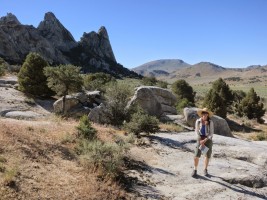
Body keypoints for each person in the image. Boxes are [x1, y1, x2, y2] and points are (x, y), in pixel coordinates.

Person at [191, 108, 214, 177]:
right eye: (203, 113)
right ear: (201, 114)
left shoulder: (210, 122)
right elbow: (196, 131)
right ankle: (195, 170)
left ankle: (205, 169)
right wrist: (200, 139)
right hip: (200, 139)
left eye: (206, 114)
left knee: (207, 155)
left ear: (208, 115)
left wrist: (205, 139)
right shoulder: (198, 121)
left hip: (208, 140)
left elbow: (211, 133)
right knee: (196, 155)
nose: (205, 115)